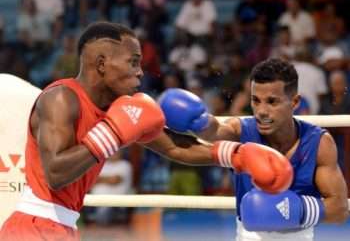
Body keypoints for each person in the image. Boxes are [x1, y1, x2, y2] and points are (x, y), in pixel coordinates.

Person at [0, 22, 292, 241]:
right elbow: (56, 172)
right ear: (101, 64)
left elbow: (175, 148)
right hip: (33, 226)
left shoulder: (122, 109)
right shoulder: (61, 98)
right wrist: (112, 133)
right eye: (133, 62)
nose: (141, 71)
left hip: (61, 227)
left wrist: (236, 155)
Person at [158, 58, 349, 241]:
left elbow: (339, 209)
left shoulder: (318, 142)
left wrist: (297, 210)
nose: (261, 111)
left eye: (272, 101)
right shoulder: (242, 130)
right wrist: (198, 121)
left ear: (295, 102)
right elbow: (214, 131)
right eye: (256, 101)